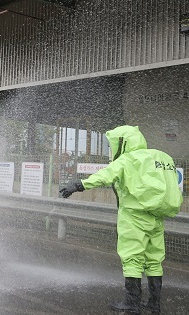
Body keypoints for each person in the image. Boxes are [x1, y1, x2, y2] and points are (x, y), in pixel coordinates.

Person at [60, 125, 183, 315]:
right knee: (154, 259)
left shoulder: (128, 159)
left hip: (134, 216)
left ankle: (132, 303)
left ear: (122, 143)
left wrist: (78, 185)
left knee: (132, 257)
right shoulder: (161, 157)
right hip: (157, 216)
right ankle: (154, 304)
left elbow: (104, 176)